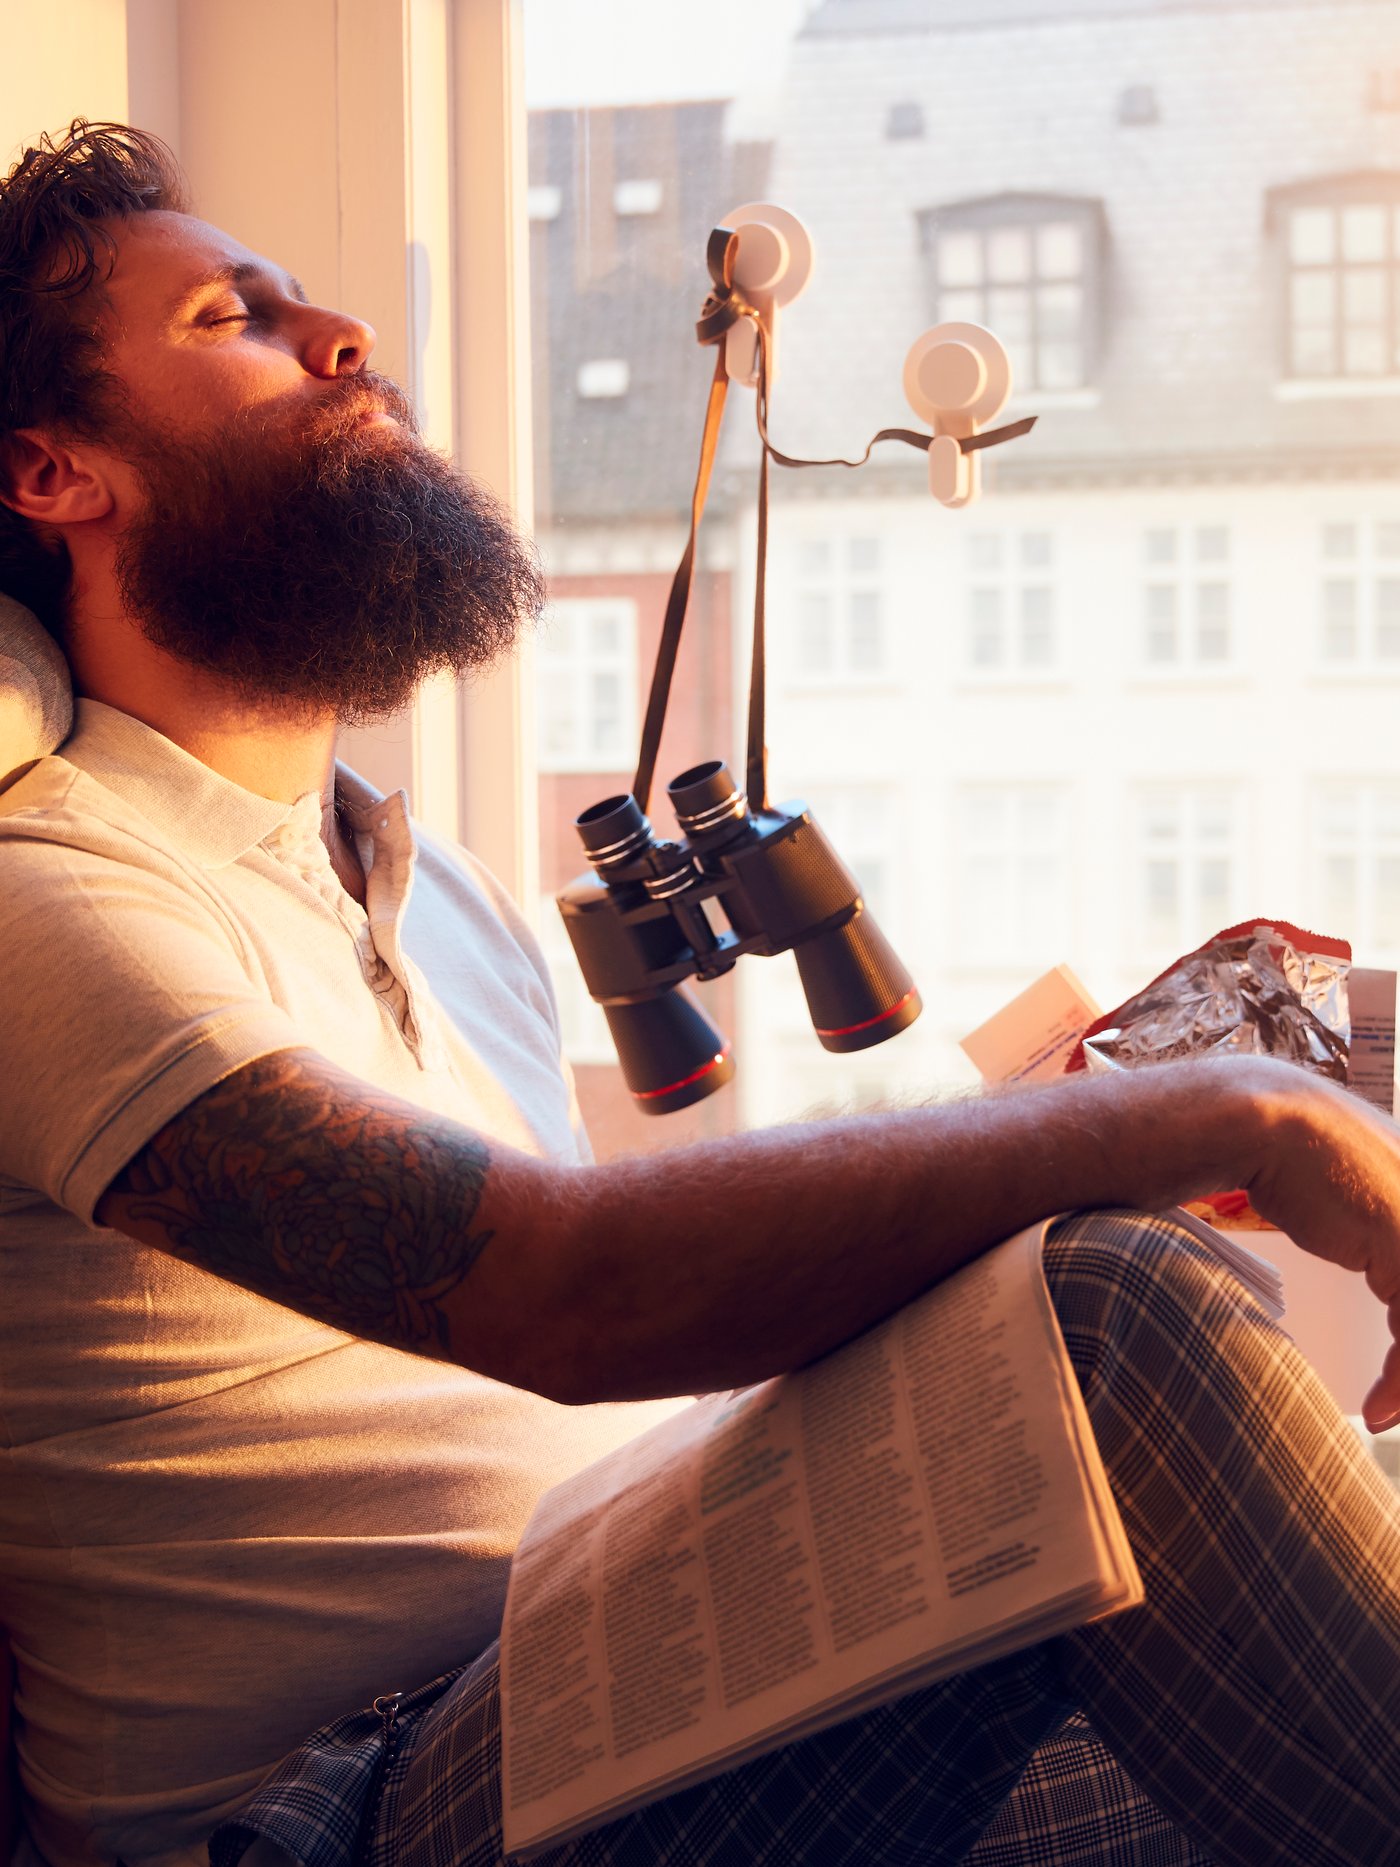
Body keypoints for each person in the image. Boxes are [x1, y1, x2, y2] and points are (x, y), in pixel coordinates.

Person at [0, 119, 1397, 1867]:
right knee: (1106, 1310)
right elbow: (561, 1297)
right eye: (232, 319)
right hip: (336, 1810)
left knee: (1203, 1754)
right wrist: (1227, 1113)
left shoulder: (450, 899)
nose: (341, 335)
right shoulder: (49, 898)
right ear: (53, 471)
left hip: (612, 1673)